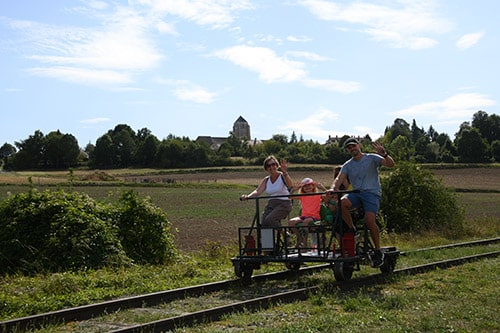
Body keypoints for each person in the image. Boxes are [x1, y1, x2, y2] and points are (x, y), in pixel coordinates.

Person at [331, 138, 395, 267]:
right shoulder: (348, 165)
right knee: (342, 203)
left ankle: (377, 251)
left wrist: (385, 155)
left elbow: (391, 164)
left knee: (369, 221)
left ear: (359, 146)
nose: (352, 149)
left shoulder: (371, 158)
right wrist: (333, 189)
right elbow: (339, 178)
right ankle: (353, 230)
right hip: (356, 193)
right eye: (349, 148)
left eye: (354, 146)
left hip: (371, 193)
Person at [240, 156, 293, 227]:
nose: (271, 167)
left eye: (273, 164)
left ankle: (284, 234)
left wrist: (285, 173)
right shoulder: (266, 179)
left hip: (284, 204)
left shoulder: (283, 176)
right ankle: (268, 238)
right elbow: (258, 191)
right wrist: (248, 196)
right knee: (264, 223)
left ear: (277, 165)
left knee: (270, 220)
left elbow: (290, 185)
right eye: (268, 165)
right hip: (271, 204)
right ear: (266, 168)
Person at [288, 177, 327, 250]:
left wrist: (322, 188)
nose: (307, 187)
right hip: (304, 216)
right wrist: (293, 190)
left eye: (309, 185)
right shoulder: (302, 196)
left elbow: (329, 196)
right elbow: (290, 197)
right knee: (291, 222)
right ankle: (299, 238)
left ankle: (304, 245)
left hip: (314, 217)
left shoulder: (318, 195)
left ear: (313, 186)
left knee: (306, 222)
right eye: (305, 186)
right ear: (302, 188)